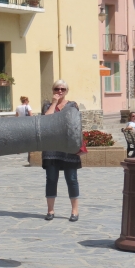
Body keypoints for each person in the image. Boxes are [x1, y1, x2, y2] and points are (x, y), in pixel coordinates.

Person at [41, 80, 81, 222]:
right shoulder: (47, 105)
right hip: (51, 148)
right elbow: (46, 122)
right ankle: (50, 210)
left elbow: (75, 125)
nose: (59, 91)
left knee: (71, 179)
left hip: (68, 147)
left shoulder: (72, 106)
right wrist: (53, 103)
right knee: (51, 179)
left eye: (62, 89)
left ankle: (74, 211)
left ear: (66, 91)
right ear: (53, 90)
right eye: (57, 89)